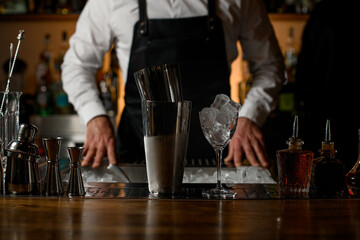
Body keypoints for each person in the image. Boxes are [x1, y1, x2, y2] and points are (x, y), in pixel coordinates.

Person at [61, 0, 285, 169]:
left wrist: (249, 117)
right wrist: (94, 116)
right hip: (138, 157)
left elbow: (270, 66)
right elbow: (76, 65)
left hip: (215, 158)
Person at [295, 0, 358, 171]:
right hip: (339, 111)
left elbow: (303, 69)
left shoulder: (321, 12)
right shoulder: (322, 13)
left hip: (320, 111)